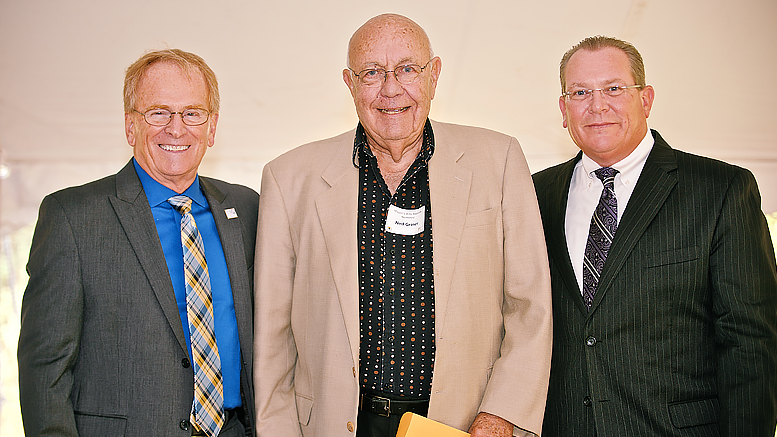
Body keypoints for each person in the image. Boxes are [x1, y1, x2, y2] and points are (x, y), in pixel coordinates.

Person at [253, 13, 552, 437]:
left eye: (408, 70)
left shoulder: (498, 160)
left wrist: (503, 414)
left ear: (434, 75)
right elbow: (273, 339)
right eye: (372, 72)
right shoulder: (289, 179)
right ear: (350, 83)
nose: (391, 89)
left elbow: (530, 306)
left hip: (461, 424)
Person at [533, 35, 777, 436]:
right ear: (563, 109)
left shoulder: (720, 190)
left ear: (645, 99)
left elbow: (750, 344)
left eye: (613, 88)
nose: (597, 105)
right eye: (580, 92)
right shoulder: (533, 194)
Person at [18, 49, 258, 437]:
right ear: (130, 126)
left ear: (212, 127)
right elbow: (44, 366)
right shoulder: (72, 216)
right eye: (158, 113)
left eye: (192, 113)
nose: (176, 129)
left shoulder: (246, 208)